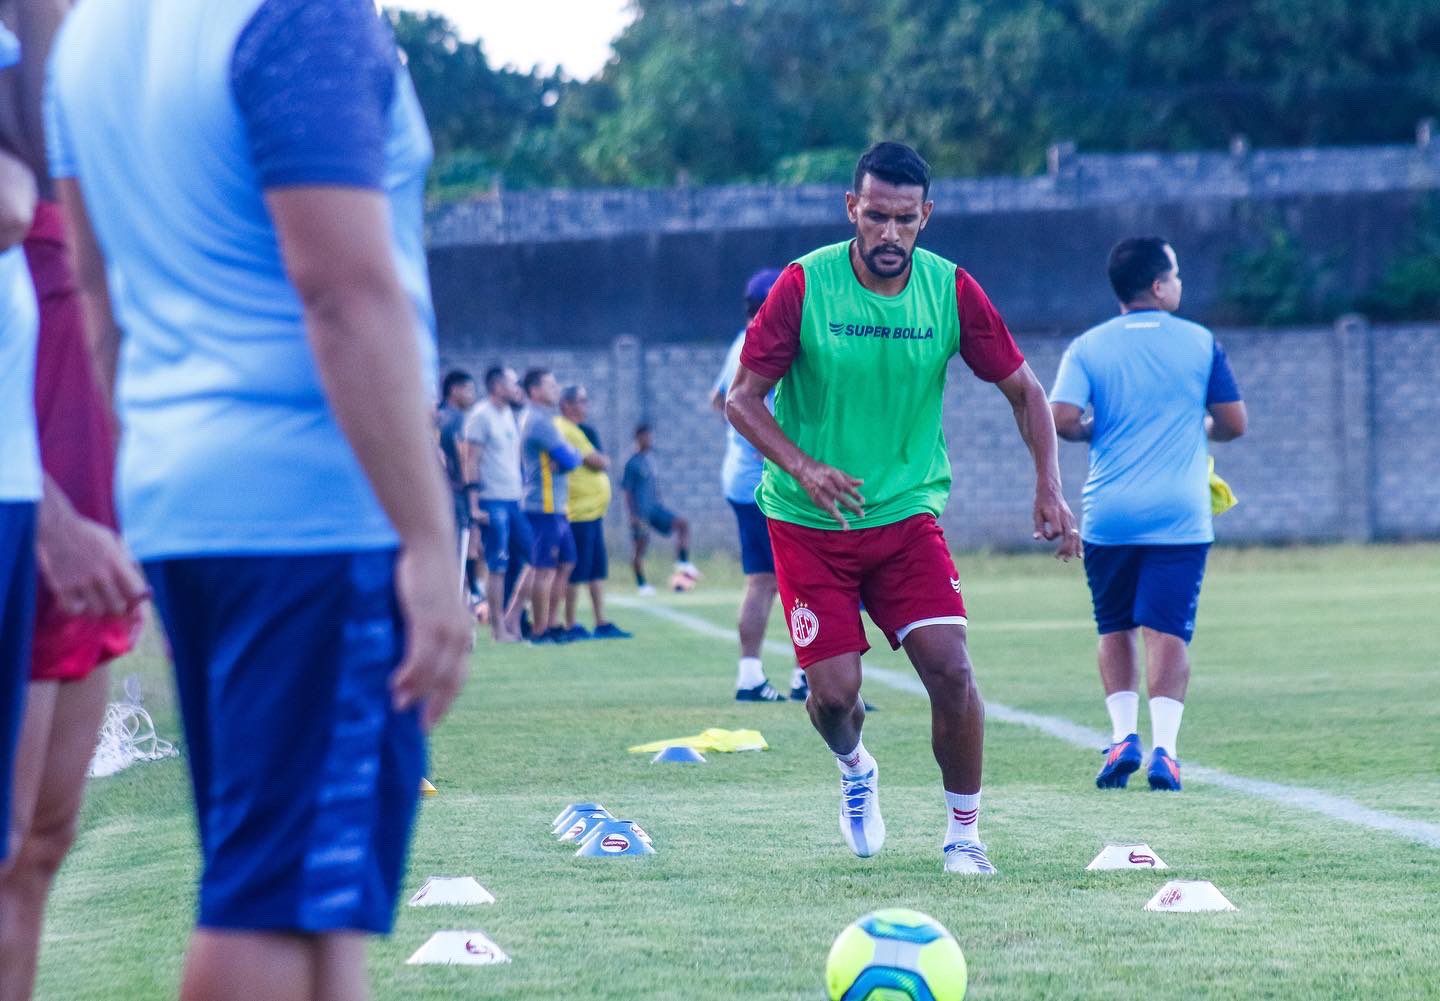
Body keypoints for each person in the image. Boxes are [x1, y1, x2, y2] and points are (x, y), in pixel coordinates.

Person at [46, 4, 473, 1000]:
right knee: (268, 898)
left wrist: (145, 500)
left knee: (311, 909)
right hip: (318, 507)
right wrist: (424, 536)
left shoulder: (94, 35)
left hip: (191, 498)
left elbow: (101, 309)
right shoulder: (299, 13)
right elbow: (342, 289)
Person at [726, 141, 1080, 875]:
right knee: (833, 698)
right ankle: (856, 768)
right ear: (852, 208)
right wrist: (804, 466)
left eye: (905, 220)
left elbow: (1026, 391)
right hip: (807, 522)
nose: (890, 233)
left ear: (926, 216)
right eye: (876, 216)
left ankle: (964, 836)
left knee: (950, 670)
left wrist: (1048, 483)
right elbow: (742, 399)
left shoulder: (950, 290)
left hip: (906, 516)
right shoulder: (804, 285)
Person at [0, 11, 149, 1000]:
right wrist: (50, 512)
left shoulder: (86, 121)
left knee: (44, 840)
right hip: (33, 506)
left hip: (87, 506)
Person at [1049, 237, 1246, 793]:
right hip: (1179, 516)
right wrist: (1201, 427)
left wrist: (1094, 430)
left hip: (1109, 513)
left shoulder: (1088, 346)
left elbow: (1061, 416)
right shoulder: (1201, 342)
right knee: (1167, 632)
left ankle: (1121, 737)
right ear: (1158, 286)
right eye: (1176, 274)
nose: (1180, 284)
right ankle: (1166, 751)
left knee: (1113, 627)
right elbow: (1234, 422)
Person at [711, 267, 795, 702]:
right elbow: (738, 405)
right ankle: (752, 676)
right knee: (768, 581)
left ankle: (802, 676)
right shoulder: (761, 342)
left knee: (780, 579)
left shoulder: (739, 343)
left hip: (745, 476)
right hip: (762, 482)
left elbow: (717, 400)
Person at [556, 385, 631, 640]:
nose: (585, 406)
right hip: (578, 512)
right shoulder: (565, 429)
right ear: (566, 404)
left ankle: (601, 622)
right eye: (581, 401)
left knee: (596, 569)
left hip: (593, 511)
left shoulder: (583, 431)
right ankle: (570, 623)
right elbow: (598, 461)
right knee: (575, 571)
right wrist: (600, 460)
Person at [464, 365, 534, 642]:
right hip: (492, 501)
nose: (517, 387)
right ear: (496, 386)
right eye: (512, 382)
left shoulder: (509, 415)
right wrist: (474, 504)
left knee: (536, 556)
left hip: (515, 501)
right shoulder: (481, 417)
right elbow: (471, 461)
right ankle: (498, 630)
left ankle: (513, 616)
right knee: (497, 565)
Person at [519, 368, 582, 644]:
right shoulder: (538, 422)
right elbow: (569, 460)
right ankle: (539, 630)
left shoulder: (546, 419)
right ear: (535, 391)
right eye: (550, 385)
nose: (556, 389)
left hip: (556, 505)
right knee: (543, 568)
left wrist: (571, 455)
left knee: (567, 562)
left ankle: (553, 624)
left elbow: (570, 456)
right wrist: (571, 455)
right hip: (542, 505)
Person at [622, 425, 700, 595]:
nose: (650, 440)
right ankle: (642, 585)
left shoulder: (649, 459)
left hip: (655, 509)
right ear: (638, 437)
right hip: (641, 513)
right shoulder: (632, 462)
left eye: (652, 437)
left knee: (682, 524)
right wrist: (633, 516)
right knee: (639, 548)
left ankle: (683, 562)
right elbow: (627, 491)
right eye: (647, 437)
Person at [436, 368, 478, 595]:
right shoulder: (457, 419)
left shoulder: (438, 416)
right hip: (455, 494)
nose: (473, 395)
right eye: (469, 389)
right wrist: (470, 488)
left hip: (435, 493)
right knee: (461, 549)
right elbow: (463, 458)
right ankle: (463, 596)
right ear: (454, 390)